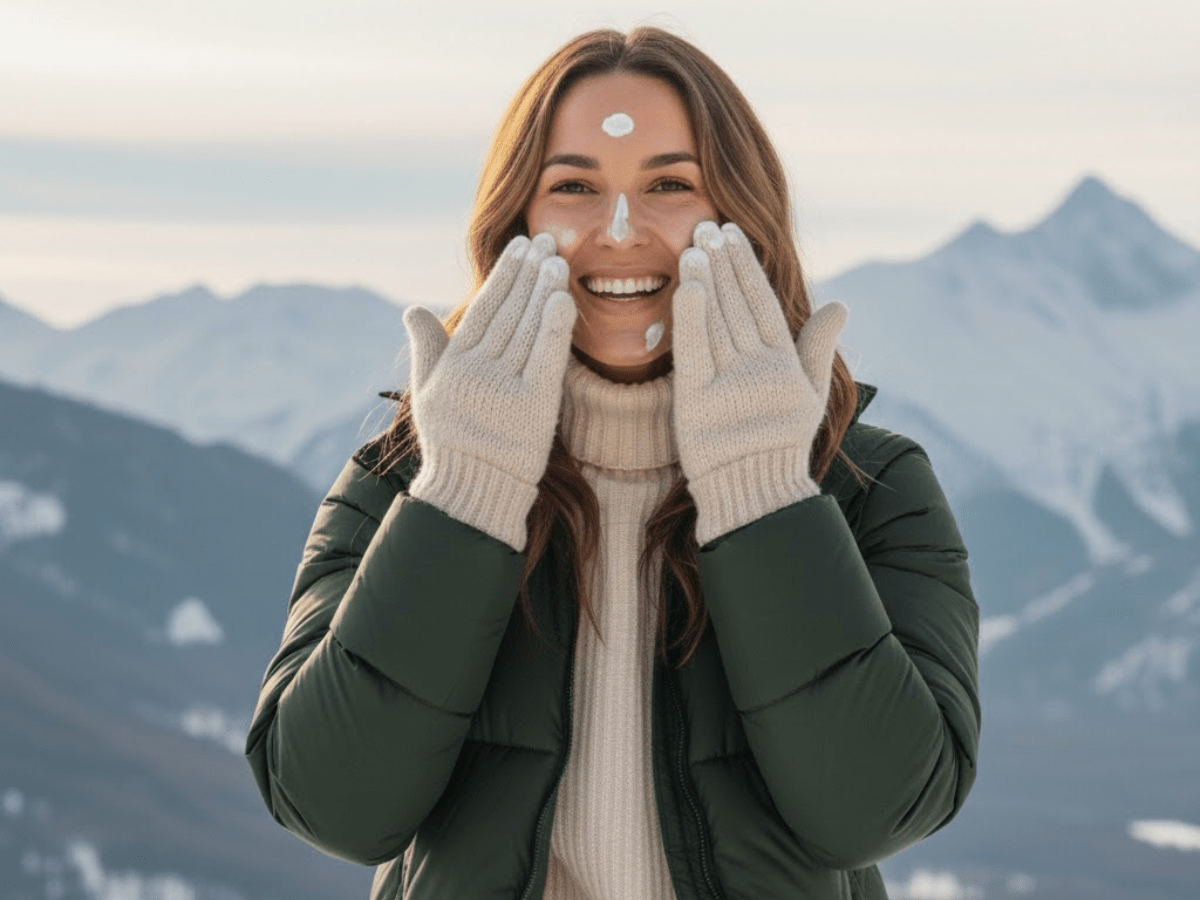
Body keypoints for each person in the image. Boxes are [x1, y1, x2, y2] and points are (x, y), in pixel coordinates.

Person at [245, 25, 980, 900]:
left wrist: (766, 495)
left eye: (670, 184)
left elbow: (880, 810)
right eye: (573, 187)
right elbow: (333, 805)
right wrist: (467, 496)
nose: (619, 229)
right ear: (515, 217)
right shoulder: (410, 478)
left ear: (742, 215)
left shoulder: (863, 487)